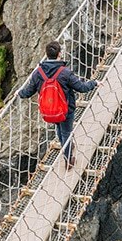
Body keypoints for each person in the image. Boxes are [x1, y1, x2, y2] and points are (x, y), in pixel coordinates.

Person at [19, 40, 97, 169]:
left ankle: (67, 147)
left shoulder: (38, 73)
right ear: (60, 54)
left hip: (49, 110)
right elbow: (81, 88)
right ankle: (68, 159)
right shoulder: (65, 72)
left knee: (59, 128)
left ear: (46, 54)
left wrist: (19, 93)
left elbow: (28, 92)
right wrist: (94, 83)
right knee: (66, 132)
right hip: (66, 109)